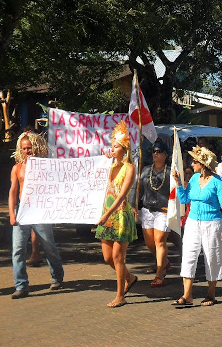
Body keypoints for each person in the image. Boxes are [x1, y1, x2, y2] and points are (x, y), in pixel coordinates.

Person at [172, 145, 222, 307]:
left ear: (203, 164)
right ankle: (187, 295)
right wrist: (178, 184)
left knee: (212, 257)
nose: (192, 163)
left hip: (213, 223)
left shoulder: (217, 181)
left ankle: (211, 294)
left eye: (195, 161)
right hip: (192, 223)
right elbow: (184, 200)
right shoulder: (193, 179)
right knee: (189, 255)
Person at [8, 131, 64, 299]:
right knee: (17, 250)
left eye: (30, 148)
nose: (27, 151)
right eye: (24, 148)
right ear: (20, 150)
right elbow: (12, 192)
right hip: (22, 212)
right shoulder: (17, 168)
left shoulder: (46, 166)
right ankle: (21, 285)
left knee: (49, 246)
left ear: (36, 148)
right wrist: (12, 214)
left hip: (41, 211)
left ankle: (57, 276)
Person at [95, 121, 138, 308]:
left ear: (124, 149)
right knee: (107, 257)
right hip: (107, 214)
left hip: (120, 215)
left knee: (118, 257)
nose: (112, 149)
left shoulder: (130, 168)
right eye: (112, 146)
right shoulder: (110, 166)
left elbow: (121, 196)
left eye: (116, 146)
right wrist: (105, 161)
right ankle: (129, 277)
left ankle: (120, 295)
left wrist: (107, 214)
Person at [139, 140, 172, 287]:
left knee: (159, 240)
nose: (155, 154)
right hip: (147, 209)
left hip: (163, 211)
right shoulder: (145, 170)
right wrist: (136, 206)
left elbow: (176, 192)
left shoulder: (171, 172)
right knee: (150, 243)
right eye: (154, 151)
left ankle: (160, 274)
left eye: (159, 151)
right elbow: (139, 190)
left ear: (165, 155)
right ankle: (164, 262)